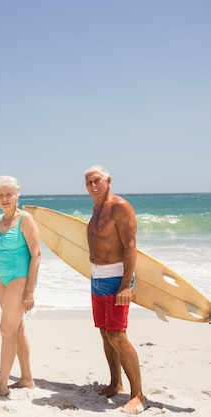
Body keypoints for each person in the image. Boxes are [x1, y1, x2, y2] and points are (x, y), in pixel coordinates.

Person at [84, 165, 147, 414]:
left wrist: (125, 285)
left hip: (115, 278)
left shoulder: (120, 206)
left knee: (117, 336)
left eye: (96, 180)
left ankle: (139, 396)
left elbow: (130, 246)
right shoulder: (96, 207)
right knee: (104, 334)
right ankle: (115, 383)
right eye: (88, 182)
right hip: (97, 278)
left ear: (108, 180)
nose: (92, 185)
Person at [0, 176, 41, 397]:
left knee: (6, 329)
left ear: (17, 196)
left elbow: (36, 254)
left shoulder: (25, 219)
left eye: (9, 194)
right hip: (1, 278)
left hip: (20, 277)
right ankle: (26, 379)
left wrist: (30, 291)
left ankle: (1, 384)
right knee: (17, 327)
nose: (5, 199)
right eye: (0, 195)